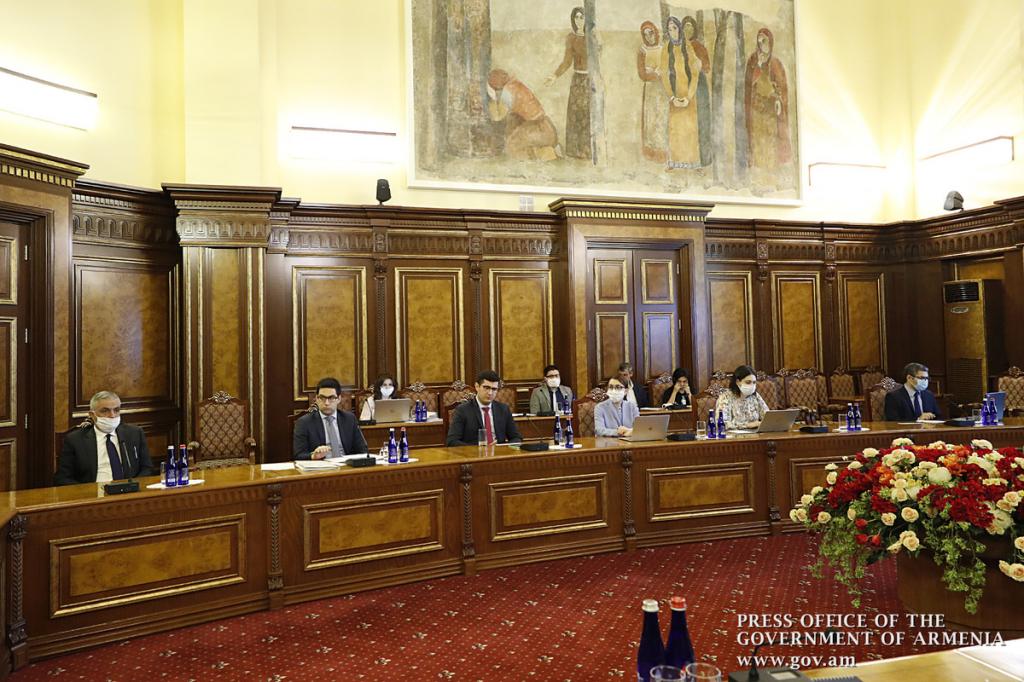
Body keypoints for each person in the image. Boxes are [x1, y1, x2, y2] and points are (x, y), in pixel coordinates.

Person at [55, 390, 156, 485]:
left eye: (116, 410)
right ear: (92, 415)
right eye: (105, 411)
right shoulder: (75, 440)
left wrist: (133, 486)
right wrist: (87, 492)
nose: (112, 415)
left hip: (128, 491)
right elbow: (63, 477)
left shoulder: (134, 433)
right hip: (93, 493)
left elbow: (147, 468)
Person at [744, 27, 791, 179]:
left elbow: (781, 87)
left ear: (770, 42)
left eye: (764, 41)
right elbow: (749, 84)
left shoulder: (776, 63)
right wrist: (758, 65)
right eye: (759, 41)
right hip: (757, 109)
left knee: (770, 140)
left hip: (770, 111)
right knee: (758, 139)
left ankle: (770, 172)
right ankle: (758, 173)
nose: (761, 44)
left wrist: (778, 100)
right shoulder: (753, 61)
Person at [545, 6, 592, 161]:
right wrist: (554, 76)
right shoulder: (571, 38)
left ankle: (588, 151)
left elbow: (597, 59)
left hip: (590, 80)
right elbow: (566, 62)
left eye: (582, 17)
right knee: (575, 115)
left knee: (588, 115)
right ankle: (575, 151)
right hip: (577, 80)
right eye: (576, 17)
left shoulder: (592, 37)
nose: (579, 20)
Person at [486, 69, 560, 161]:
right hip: (546, 128)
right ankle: (547, 150)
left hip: (538, 130)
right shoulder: (515, 84)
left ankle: (546, 152)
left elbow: (497, 117)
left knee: (512, 147)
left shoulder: (507, 92)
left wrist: (492, 99)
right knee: (512, 119)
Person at [660, 16, 702, 170]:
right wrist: (672, 97)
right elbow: (664, 74)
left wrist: (689, 97)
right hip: (675, 95)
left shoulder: (688, 47)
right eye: (670, 29)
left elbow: (695, 74)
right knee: (676, 130)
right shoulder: (666, 48)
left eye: (675, 28)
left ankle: (693, 163)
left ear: (679, 29)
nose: (673, 32)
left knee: (690, 130)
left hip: (688, 95)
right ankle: (675, 162)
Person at [293, 377, 368, 460]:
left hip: (346, 464)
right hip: (321, 465)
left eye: (331, 398)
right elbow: (298, 455)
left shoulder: (349, 419)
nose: (326, 403)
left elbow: (362, 450)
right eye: (322, 398)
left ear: (339, 399)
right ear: (316, 399)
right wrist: (313, 456)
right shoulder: (304, 422)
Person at [446, 370, 523, 446]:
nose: (490, 393)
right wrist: (478, 449)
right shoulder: (463, 410)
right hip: (474, 453)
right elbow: (452, 441)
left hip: (498, 452)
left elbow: (516, 438)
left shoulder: (503, 409)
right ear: (477, 386)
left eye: (494, 389)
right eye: (486, 388)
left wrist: (503, 448)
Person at [636, 21, 667, 163]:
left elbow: (667, 68)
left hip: (662, 89)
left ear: (656, 32)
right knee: (651, 118)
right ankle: (651, 151)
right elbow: (642, 74)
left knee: (662, 117)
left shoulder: (663, 49)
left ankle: (662, 151)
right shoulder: (642, 51)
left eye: (651, 33)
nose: (649, 37)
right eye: (646, 34)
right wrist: (655, 75)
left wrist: (660, 73)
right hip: (650, 90)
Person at [715, 365, 769, 430]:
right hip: (734, 435)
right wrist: (747, 425)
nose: (752, 385)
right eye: (748, 382)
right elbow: (721, 424)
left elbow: (767, 417)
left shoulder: (755, 396)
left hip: (756, 434)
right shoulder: (725, 397)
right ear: (738, 382)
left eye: (754, 382)